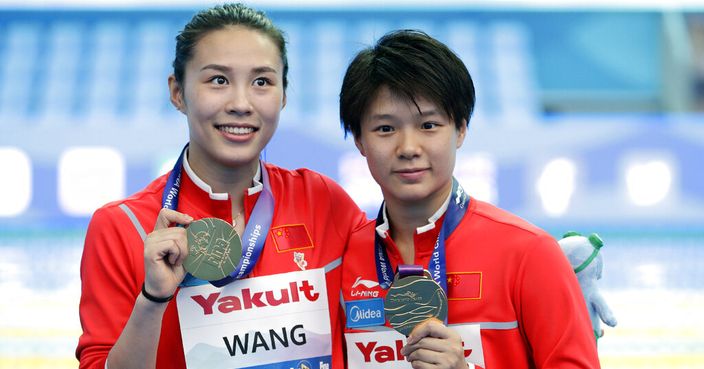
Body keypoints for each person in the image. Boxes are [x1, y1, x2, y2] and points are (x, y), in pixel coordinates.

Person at [76, 4, 366, 369]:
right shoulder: (123, 226)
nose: (241, 104)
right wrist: (152, 300)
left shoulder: (324, 202)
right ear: (177, 92)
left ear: (284, 95)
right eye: (218, 80)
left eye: (262, 81)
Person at [338, 30, 600, 369]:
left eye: (429, 125)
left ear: (461, 129)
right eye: (385, 129)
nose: (408, 148)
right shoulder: (341, 258)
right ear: (359, 139)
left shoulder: (529, 254)